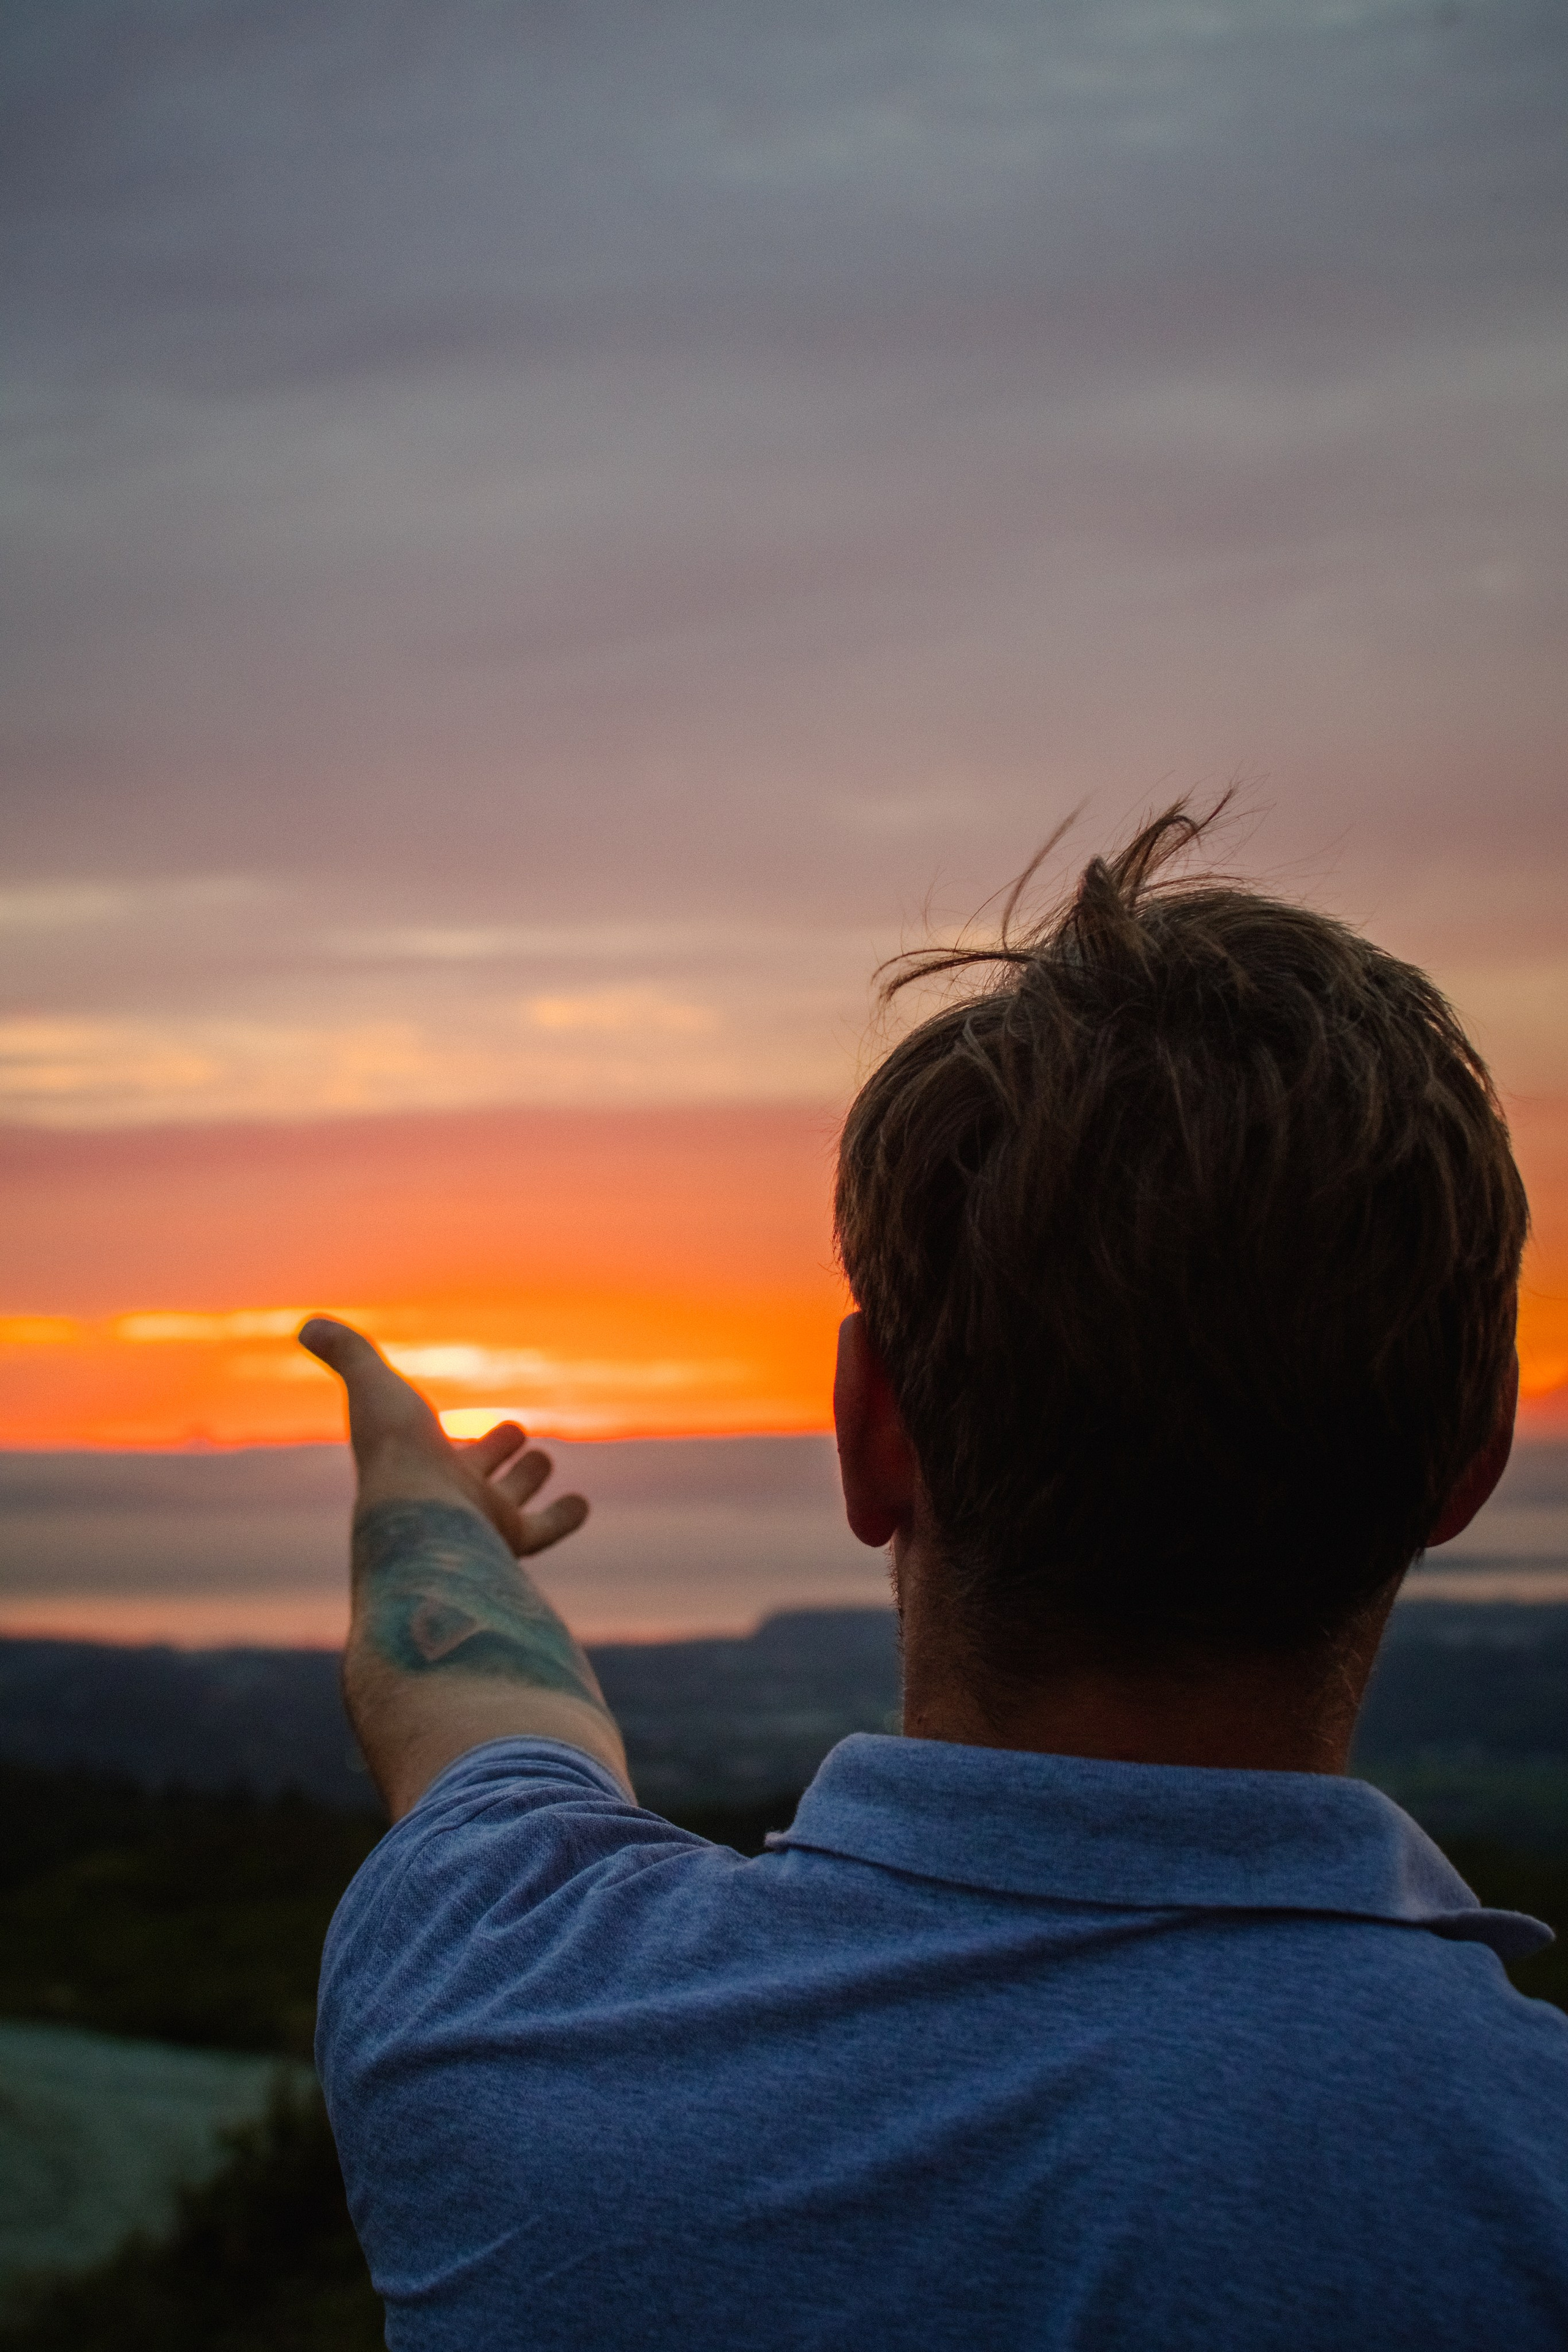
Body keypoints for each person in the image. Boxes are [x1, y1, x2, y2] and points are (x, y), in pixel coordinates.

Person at [304, 807, 1568, 2351]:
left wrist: (416, 1490)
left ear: (870, 1435)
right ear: (1465, 1462)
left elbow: (468, 1700)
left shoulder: (507, 2004)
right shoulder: (1526, 2178)